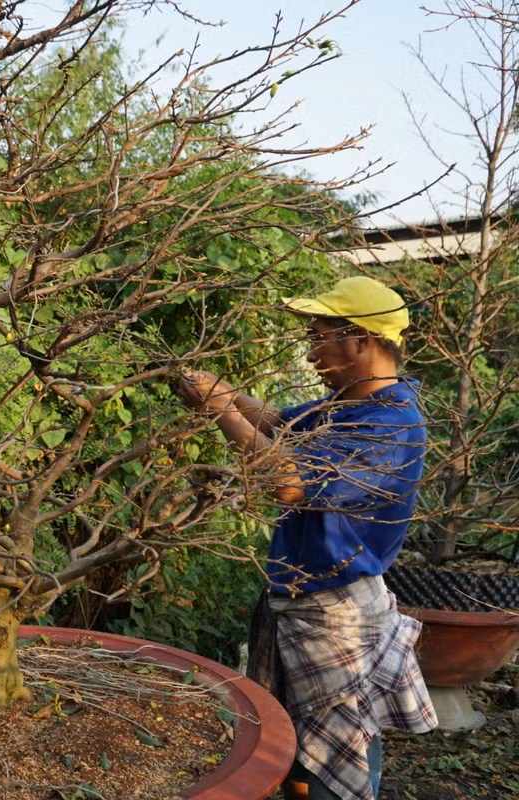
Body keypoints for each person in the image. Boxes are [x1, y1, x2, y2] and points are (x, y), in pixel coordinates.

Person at [174, 276, 436, 800]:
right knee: (294, 749)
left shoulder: (389, 424)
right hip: (300, 601)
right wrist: (225, 394)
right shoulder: (347, 403)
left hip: (333, 613)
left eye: (318, 335)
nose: (310, 348)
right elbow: (278, 424)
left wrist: (221, 410)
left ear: (360, 339)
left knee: (336, 764)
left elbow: (289, 482)